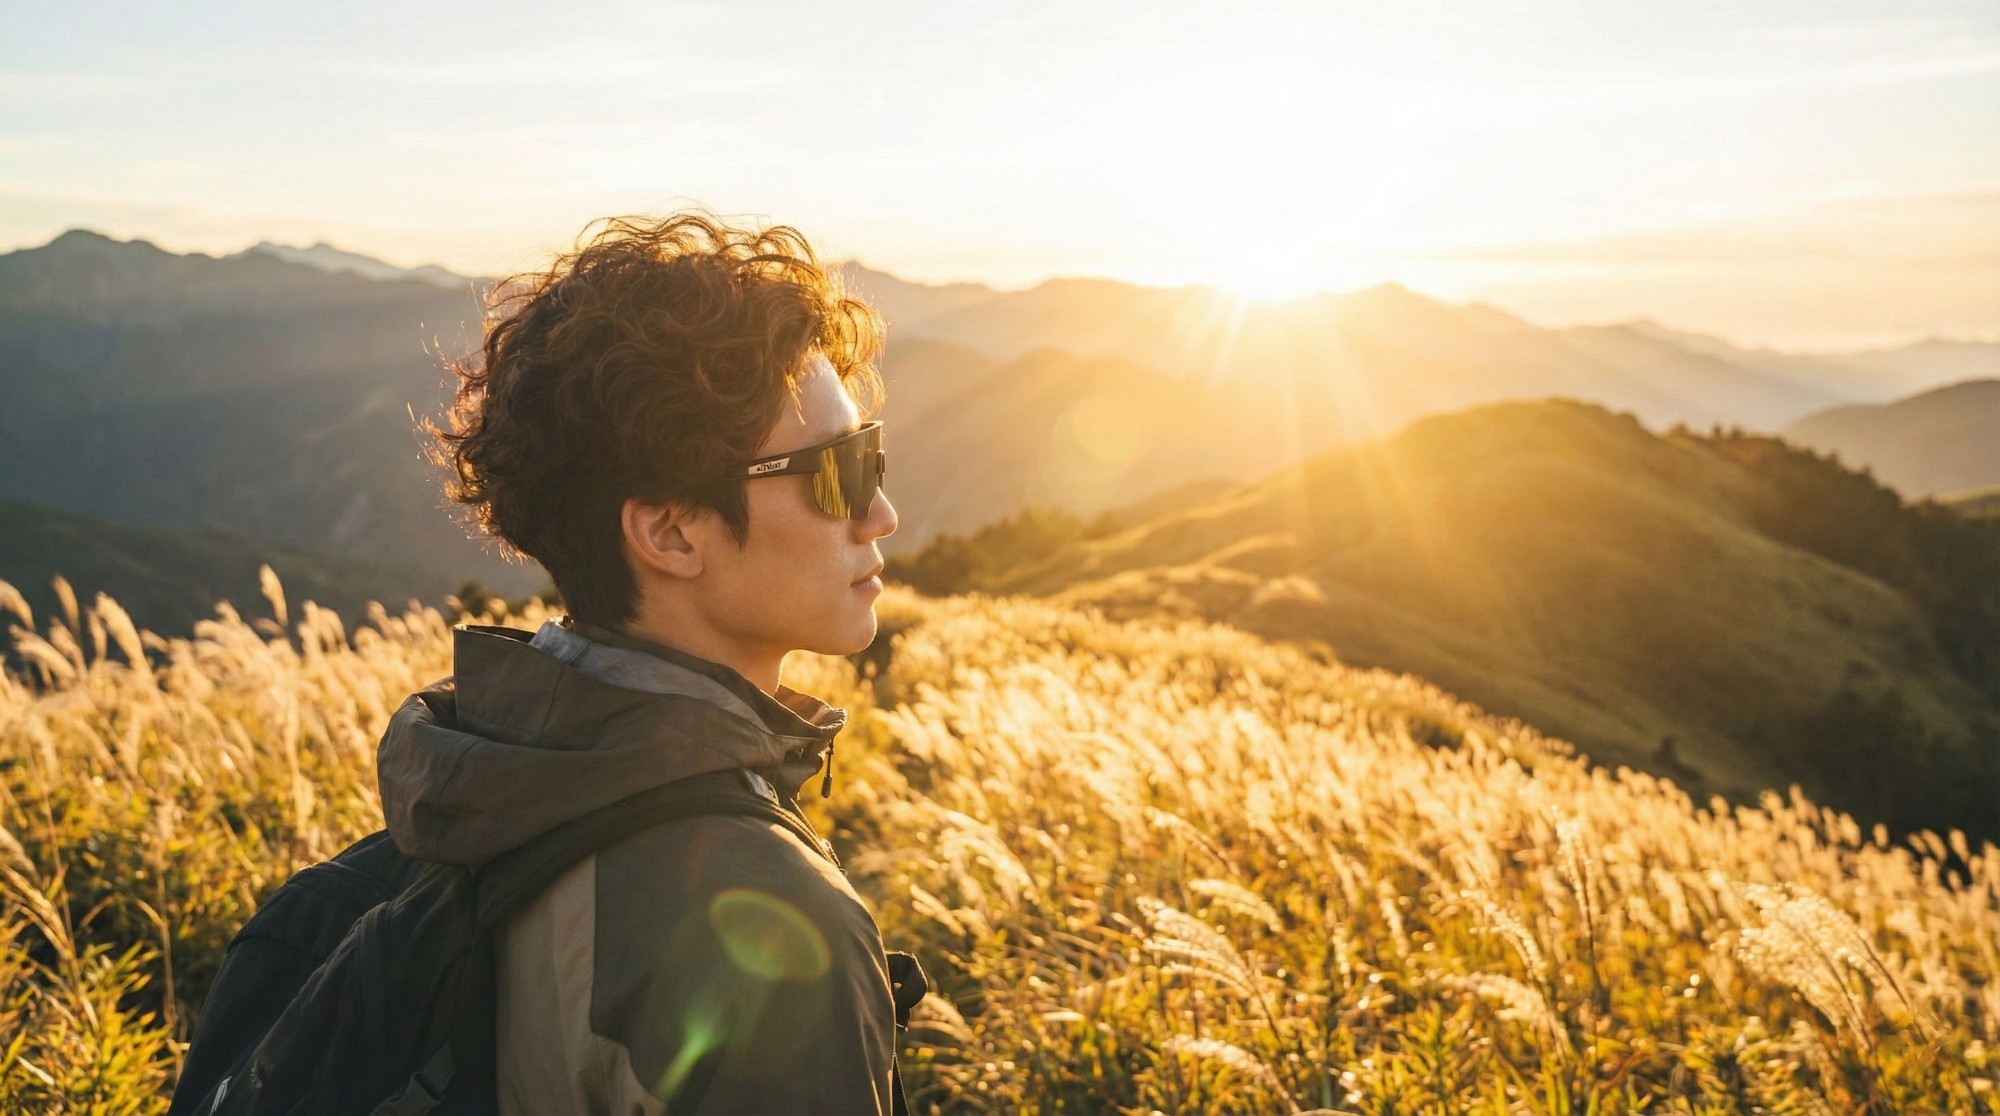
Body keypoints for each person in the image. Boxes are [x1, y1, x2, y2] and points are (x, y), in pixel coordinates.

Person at [386, 211, 906, 1113]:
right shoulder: (768, 932)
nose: (882, 514)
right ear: (670, 531)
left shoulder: (476, 785)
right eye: (840, 472)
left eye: (873, 457)